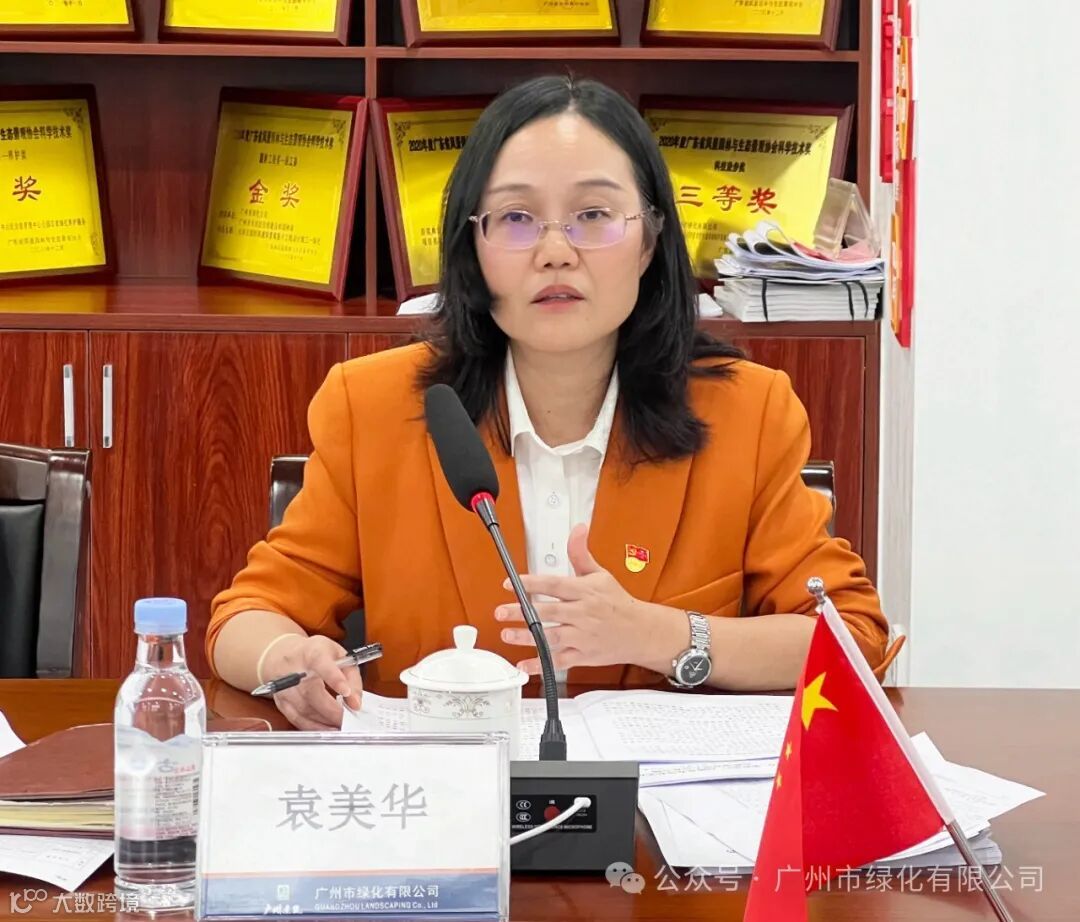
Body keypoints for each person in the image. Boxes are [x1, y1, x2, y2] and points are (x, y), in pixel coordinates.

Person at [208, 75, 895, 731]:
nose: (556, 251)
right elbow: (248, 614)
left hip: (656, 802)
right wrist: (287, 660)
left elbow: (850, 639)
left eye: (593, 215)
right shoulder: (375, 406)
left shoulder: (747, 413)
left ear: (650, 240)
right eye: (516, 218)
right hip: (454, 792)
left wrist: (658, 634)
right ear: (472, 246)